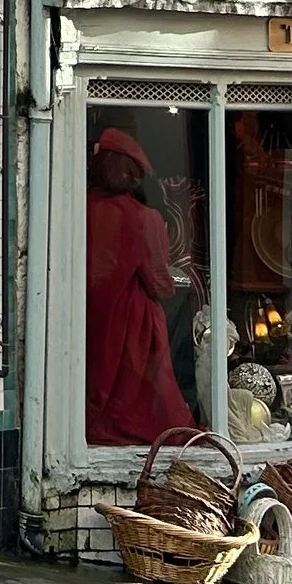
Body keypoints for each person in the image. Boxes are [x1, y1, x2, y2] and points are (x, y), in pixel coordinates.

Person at [87, 125, 194, 446]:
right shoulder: (143, 218)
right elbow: (160, 283)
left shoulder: (76, 207)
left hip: (88, 320)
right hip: (132, 326)